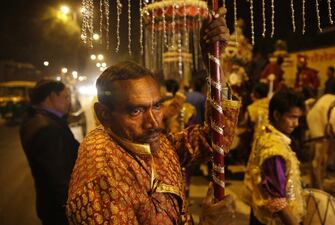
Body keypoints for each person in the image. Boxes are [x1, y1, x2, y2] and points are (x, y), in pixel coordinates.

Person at [66, 8, 240, 225]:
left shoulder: (145, 141)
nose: (153, 122)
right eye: (135, 111)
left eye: (156, 106)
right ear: (104, 115)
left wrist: (214, 66)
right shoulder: (103, 175)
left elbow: (213, 141)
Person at [19, 80, 79, 225]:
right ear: (52, 96)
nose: (69, 101)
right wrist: (74, 210)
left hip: (50, 206)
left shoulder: (34, 120)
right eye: (66, 97)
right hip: (60, 212)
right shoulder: (48, 129)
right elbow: (59, 178)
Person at [245, 90, 306, 225]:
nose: (296, 123)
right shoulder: (274, 150)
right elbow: (277, 201)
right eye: (292, 117)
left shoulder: (266, 134)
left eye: (298, 118)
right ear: (277, 115)